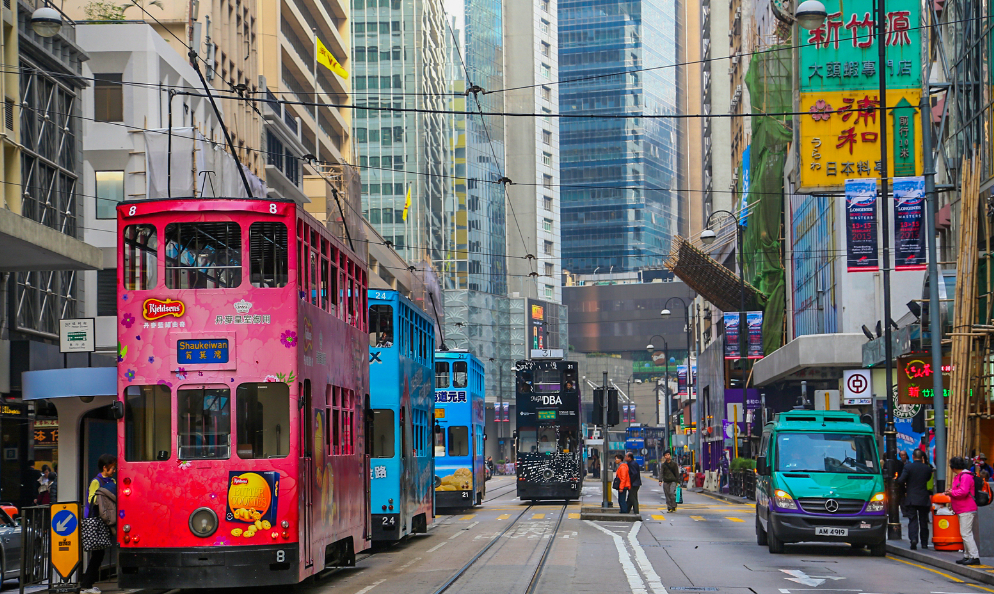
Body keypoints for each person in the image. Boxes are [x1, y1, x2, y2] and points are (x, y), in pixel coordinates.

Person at [81, 454, 117, 594]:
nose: (114, 470)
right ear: (105, 467)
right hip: (97, 520)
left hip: (104, 521)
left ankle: (88, 584)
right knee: (97, 554)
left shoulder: (112, 480)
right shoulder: (96, 481)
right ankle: (87, 585)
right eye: (112, 467)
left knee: (99, 554)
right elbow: (92, 499)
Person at [945, 456, 981, 565]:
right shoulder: (961, 476)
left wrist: (951, 493)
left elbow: (963, 492)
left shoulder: (965, 476)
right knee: (965, 533)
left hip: (967, 508)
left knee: (966, 533)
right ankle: (967, 555)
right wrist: (952, 492)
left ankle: (974, 556)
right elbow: (960, 490)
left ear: (954, 467)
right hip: (962, 508)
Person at [897, 448, 933, 550]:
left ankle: (913, 539)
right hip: (923, 497)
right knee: (923, 521)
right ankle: (924, 543)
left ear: (912, 457)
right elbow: (927, 479)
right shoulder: (927, 468)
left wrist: (905, 488)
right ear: (922, 458)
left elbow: (900, 480)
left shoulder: (908, 467)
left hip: (911, 497)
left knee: (912, 520)